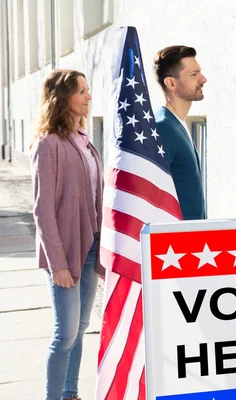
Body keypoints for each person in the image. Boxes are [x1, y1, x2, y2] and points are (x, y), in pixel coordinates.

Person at [30, 69, 104, 400]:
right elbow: (42, 209)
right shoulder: (48, 145)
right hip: (65, 252)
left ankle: (70, 393)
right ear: (62, 100)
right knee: (65, 333)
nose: (89, 96)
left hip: (91, 246)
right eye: (81, 92)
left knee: (81, 329)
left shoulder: (86, 142)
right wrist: (57, 263)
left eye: (88, 90)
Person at [153, 45, 207, 220]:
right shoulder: (164, 127)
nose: (203, 79)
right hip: (177, 242)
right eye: (194, 74)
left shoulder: (178, 124)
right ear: (171, 83)